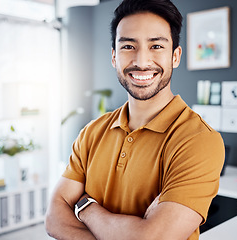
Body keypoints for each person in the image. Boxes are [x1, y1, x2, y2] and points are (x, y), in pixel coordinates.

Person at [45, 0, 225, 239]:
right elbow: (54, 219)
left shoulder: (199, 140)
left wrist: (86, 208)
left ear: (175, 56)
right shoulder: (91, 133)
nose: (141, 61)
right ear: (114, 57)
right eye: (128, 46)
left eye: (156, 46)